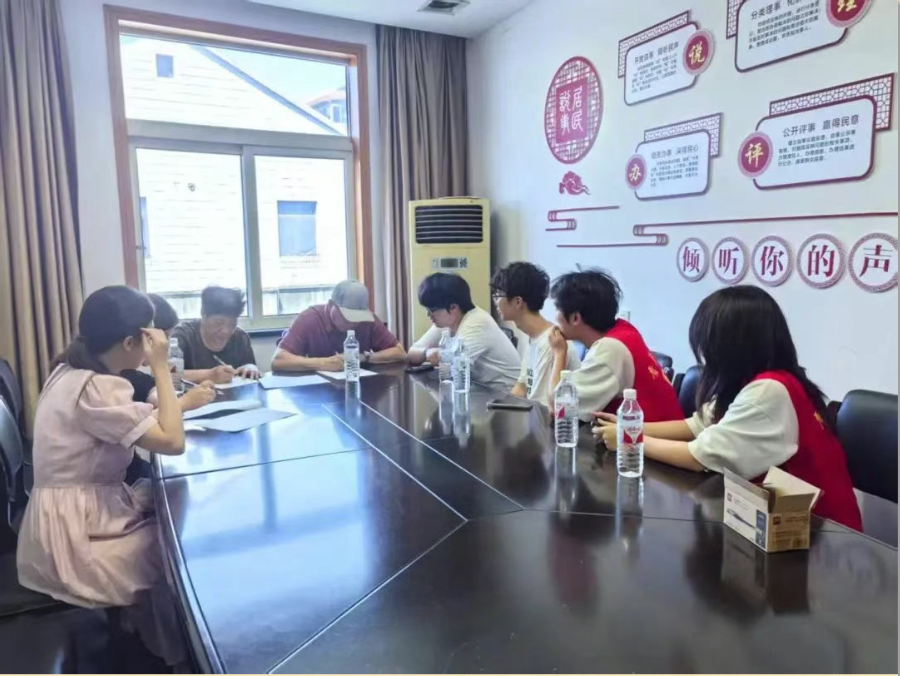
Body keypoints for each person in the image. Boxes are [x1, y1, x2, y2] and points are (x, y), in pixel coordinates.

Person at [593, 285, 862, 530]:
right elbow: (698, 425)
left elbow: (700, 457)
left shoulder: (770, 390)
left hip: (820, 533)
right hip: (782, 521)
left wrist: (630, 440)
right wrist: (631, 426)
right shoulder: (755, 380)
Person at [16, 285, 187, 664]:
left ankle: (147, 640)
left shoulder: (69, 371)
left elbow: (136, 421)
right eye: (150, 335)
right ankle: (168, 654)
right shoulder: (96, 389)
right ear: (129, 342)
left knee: (171, 513)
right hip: (71, 539)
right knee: (175, 550)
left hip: (71, 513)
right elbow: (173, 441)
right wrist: (160, 367)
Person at [547, 269, 683, 422]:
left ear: (575, 318)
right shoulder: (624, 329)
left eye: (557, 309)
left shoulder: (610, 349)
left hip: (643, 435)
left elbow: (559, 405)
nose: (554, 317)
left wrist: (559, 353)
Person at [408, 272, 520, 389]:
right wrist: (427, 352)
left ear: (453, 307)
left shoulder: (476, 324)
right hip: (478, 389)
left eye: (431, 310)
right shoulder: (447, 321)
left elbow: (454, 368)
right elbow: (411, 353)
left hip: (505, 394)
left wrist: (438, 355)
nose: (428, 315)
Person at [491, 262, 580, 407]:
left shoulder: (550, 343)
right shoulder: (534, 337)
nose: (495, 301)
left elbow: (542, 407)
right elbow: (522, 387)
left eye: (498, 295)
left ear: (518, 302)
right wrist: (498, 407)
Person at [272, 280, 406, 372]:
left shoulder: (368, 320)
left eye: (358, 318)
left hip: (361, 388)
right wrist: (322, 363)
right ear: (331, 305)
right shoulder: (308, 318)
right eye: (348, 316)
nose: (353, 323)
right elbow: (278, 360)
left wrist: (363, 357)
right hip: (319, 395)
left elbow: (400, 352)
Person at [121, 293, 215, 410]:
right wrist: (185, 402)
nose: (165, 345)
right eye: (163, 337)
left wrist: (191, 392)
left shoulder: (133, 375)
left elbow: (151, 387)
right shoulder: (110, 385)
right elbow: (139, 419)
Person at [170, 286, 259, 384]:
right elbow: (168, 374)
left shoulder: (240, 338)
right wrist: (209, 375)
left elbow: (249, 368)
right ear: (204, 315)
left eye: (232, 324)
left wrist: (250, 368)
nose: (226, 331)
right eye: (218, 323)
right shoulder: (182, 336)